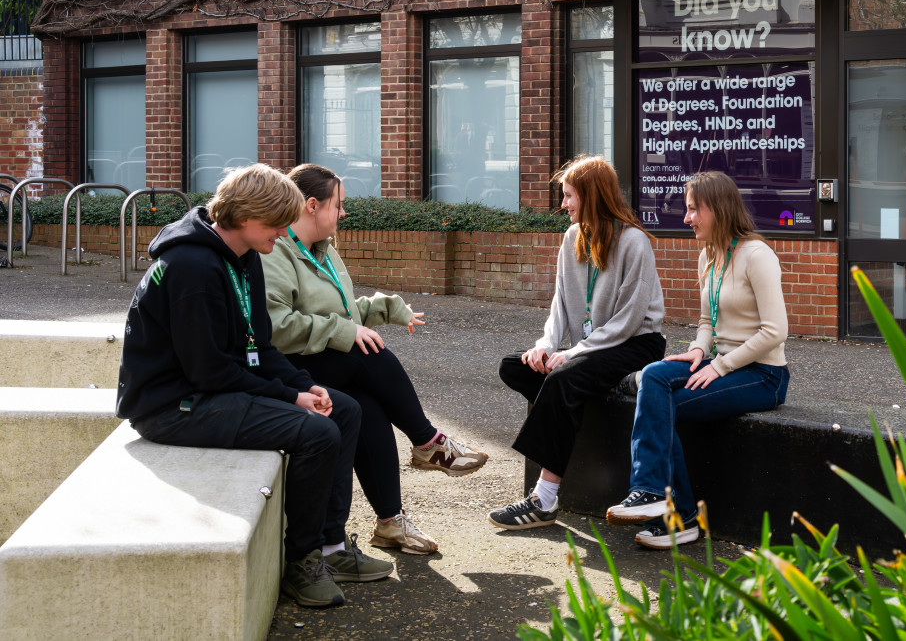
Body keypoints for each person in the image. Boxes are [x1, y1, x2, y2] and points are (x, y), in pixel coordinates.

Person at [116, 163, 393, 609]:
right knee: (318, 433)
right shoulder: (192, 267)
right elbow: (209, 372)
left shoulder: (245, 257)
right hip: (172, 406)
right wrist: (290, 398)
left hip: (209, 388)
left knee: (343, 410)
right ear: (247, 217)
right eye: (278, 224)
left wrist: (305, 386)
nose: (285, 235)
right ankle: (299, 562)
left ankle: (329, 547)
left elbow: (258, 346)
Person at [262, 163, 488, 557]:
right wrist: (348, 332)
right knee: (368, 352)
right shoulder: (275, 253)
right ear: (312, 205)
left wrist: (386, 308)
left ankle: (390, 523)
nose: (344, 213)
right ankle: (428, 442)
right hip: (291, 366)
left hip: (325, 358)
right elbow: (277, 325)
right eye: (339, 204)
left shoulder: (324, 250)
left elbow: (341, 312)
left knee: (368, 407)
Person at [606, 170, 790, 549]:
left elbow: (775, 331)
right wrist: (698, 351)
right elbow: (708, 321)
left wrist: (719, 367)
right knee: (656, 381)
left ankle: (673, 511)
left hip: (764, 376)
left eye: (693, 209)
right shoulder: (709, 254)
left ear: (719, 209)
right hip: (721, 361)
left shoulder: (758, 255)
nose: (687, 218)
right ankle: (667, 504)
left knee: (659, 399)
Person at [487, 154, 666, 530]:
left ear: (593, 196)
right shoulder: (572, 238)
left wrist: (573, 354)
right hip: (590, 348)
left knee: (562, 381)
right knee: (512, 365)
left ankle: (544, 500)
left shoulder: (634, 242)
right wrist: (546, 345)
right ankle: (574, 403)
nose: (563, 204)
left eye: (569, 195)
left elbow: (629, 320)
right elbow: (560, 304)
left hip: (636, 344)